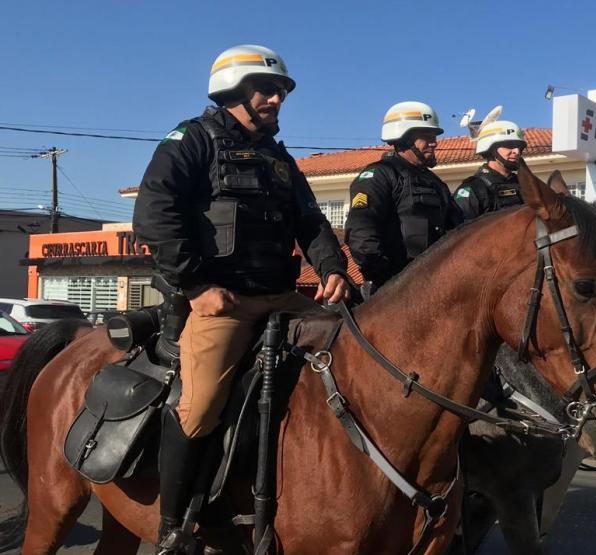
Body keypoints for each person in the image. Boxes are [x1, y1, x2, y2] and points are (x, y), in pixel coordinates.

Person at [133, 44, 349, 554]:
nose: (277, 98)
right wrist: (195, 287)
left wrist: (332, 266)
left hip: (280, 297)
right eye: (267, 89)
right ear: (234, 91)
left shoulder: (279, 159)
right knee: (201, 405)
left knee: (356, 353)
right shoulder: (191, 140)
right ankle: (174, 527)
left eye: (281, 91)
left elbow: (311, 221)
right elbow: (154, 213)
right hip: (221, 303)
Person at [343, 101, 464, 291]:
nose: (434, 142)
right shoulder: (379, 176)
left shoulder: (436, 183)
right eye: (426, 136)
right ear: (404, 139)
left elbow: (459, 231)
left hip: (437, 286)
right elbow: (361, 234)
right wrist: (389, 282)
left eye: (434, 136)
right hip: (395, 293)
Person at [453, 120, 527, 220]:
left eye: (520, 147)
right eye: (510, 145)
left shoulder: (523, 184)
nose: (517, 151)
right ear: (490, 149)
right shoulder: (473, 189)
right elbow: (462, 232)